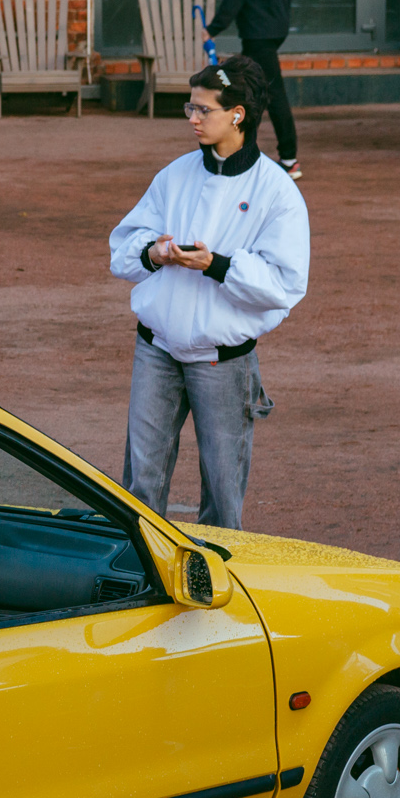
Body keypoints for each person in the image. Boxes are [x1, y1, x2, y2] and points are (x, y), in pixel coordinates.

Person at [108, 56, 309, 531]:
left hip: (224, 360)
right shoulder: (175, 174)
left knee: (222, 492)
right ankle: (137, 581)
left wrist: (217, 266)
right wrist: (154, 254)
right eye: (190, 108)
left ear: (237, 114)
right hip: (156, 348)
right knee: (139, 484)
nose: (193, 119)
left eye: (204, 110)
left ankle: (222, 590)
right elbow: (123, 247)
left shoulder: (277, 192)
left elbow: (284, 285)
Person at [206, 0, 301, 178]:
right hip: (272, 28)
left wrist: (213, 29)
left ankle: (287, 158)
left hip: (258, 31)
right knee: (254, 91)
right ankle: (242, 152)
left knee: (269, 93)